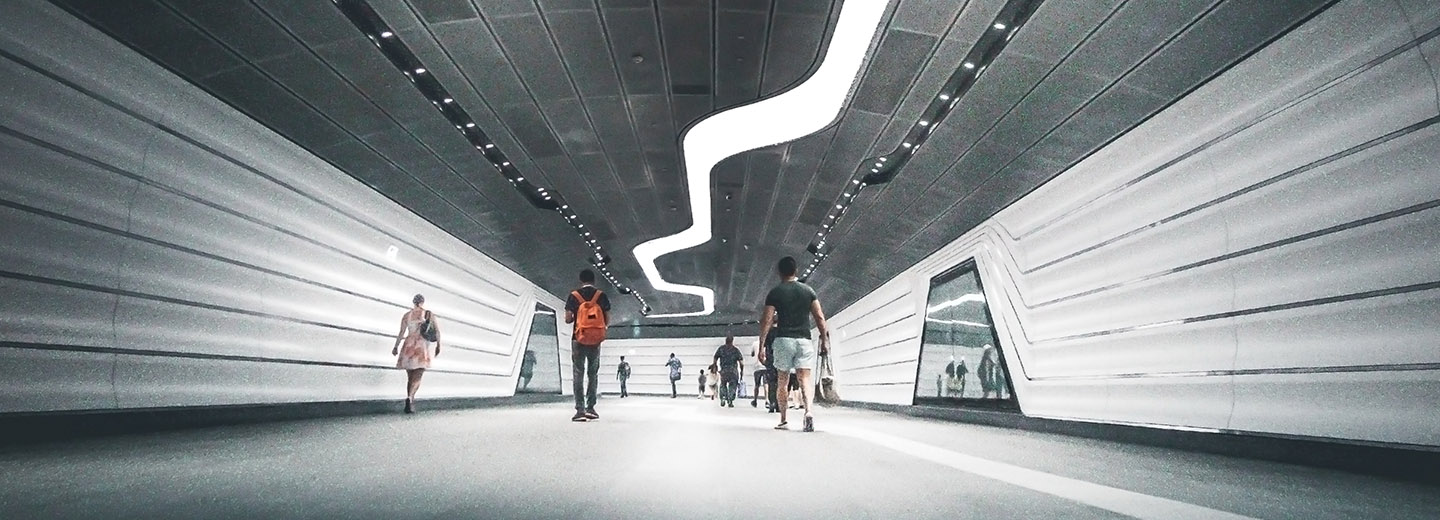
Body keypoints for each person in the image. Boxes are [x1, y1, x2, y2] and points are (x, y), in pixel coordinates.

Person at [757, 256, 830, 432]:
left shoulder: (775, 293)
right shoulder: (808, 291)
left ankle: (783, 420)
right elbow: (820, 317)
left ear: (779, 272)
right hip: (804, 340)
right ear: (796, 270)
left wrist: (761, 345)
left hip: (783, 340)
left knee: (783, 380)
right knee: (804, 378)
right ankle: (808, 412)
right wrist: (824, 340)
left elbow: (767, 320)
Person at [565, 269, 610, 422]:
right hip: (595, 341)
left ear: (581, 280)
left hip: (578, 339)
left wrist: (578, 317)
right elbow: (606, 319)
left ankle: (580, 410)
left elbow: (567, 319)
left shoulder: (574, 296)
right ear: (594, 280)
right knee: (593, 373)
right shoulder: (601, 296)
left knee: (578, 373)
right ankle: (591, 408)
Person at [392, 294, 441, 414]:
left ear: (413, 302)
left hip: (408, 346)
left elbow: (401, 332)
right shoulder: (428, 314)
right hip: (421, 347)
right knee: (418, 376)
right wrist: (438, 345)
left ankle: (410, 399)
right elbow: (437, 331)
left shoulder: (407, 315)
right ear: (423, 302)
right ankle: (410, 398)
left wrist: (396, 346)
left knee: (410, 377)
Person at [713, 335, 745, 408]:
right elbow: (741, 363)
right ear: (732, 341)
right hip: (733, 371)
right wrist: (742, 370)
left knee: (723, 384)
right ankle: (730, 399)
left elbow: (715, 357)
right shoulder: (735, 350)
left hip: (724, 371)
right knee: (733, 385)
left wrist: (715, 366)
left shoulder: (721, 349)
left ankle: (723, 397)